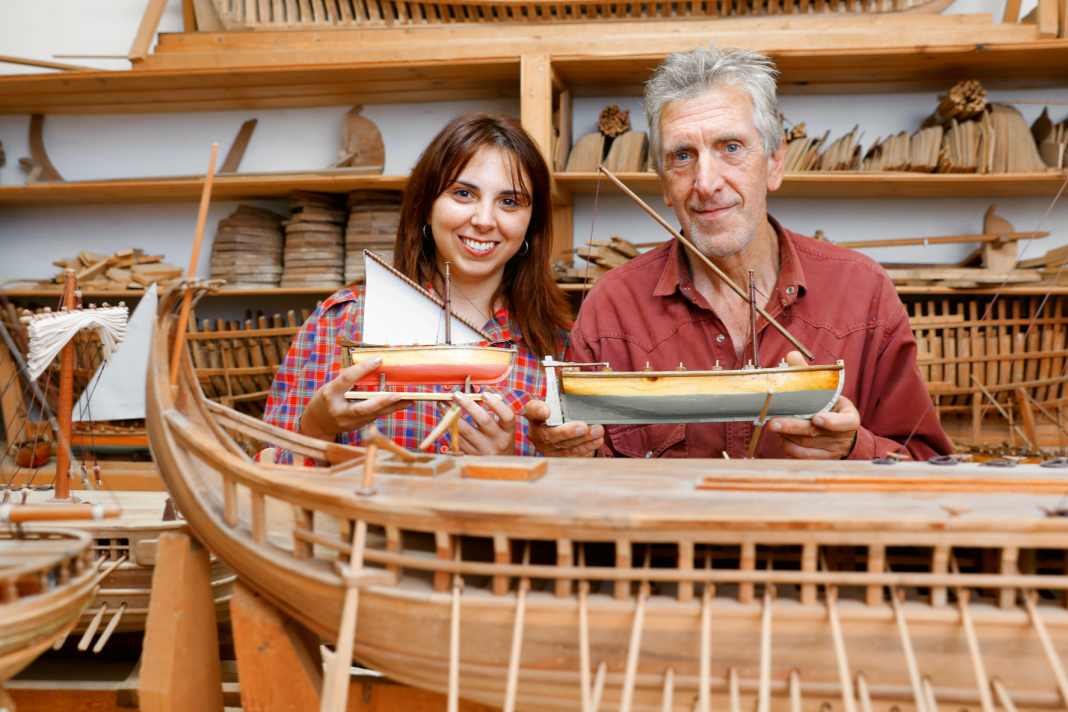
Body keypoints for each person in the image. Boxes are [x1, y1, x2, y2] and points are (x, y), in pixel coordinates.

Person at [524, 46, 952, 460]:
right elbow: (583, 478)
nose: (706, 183)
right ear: (663, 184)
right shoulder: (613, 305)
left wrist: (850, 447)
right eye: (682, 156)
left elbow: (928, 464)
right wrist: (566, 451)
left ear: (775, 163)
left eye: (730, 147)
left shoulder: (862, 291)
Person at [265, 113, 571, 456]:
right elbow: (264, 476)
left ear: (531, 222)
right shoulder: (342, 320)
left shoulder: (557, 348)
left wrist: (511, 466)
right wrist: (318, 426)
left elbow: (578, 483)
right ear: (426, 206)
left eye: (509, 202)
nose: (484, 220)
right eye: (463, 193)